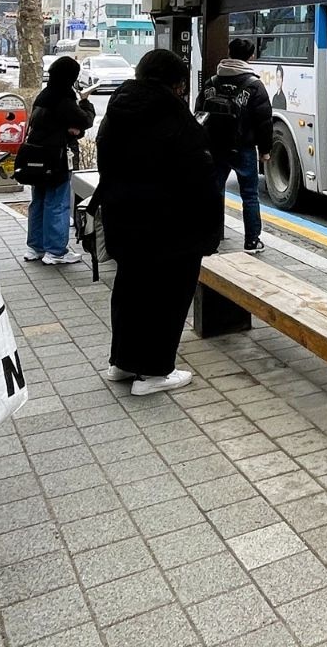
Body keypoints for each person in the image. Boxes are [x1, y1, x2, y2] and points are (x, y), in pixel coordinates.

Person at [96, 49, 223, 395]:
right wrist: (210, 231)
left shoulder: (117, 111)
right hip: (171, 228)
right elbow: (200, 177)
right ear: (177, 83)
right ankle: (154, 372)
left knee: (129, 290)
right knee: (167, 297)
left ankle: (122, 363)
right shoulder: (174, 117)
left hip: (123, 220)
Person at [197, 37, 273, 254]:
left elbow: (199, 112)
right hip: (243, 148)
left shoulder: (212, 82)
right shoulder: (254, 85)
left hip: (214, 147)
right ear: (250, 57)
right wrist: (265, 150)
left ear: (229, 53)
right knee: (249, 194)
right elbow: (264, 121)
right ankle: (252, 241)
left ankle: (210, 239)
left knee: (214, 190)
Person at [22, 56, 95, 265]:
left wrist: (71, 129)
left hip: (36, 158)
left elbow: (52, 126)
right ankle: (56, 251)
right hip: (57, 159)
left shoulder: (43, 95)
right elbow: (84, 121)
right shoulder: (64, 98)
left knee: (38, 202)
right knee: (57, 203)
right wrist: (85, 101)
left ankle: (35, 247)